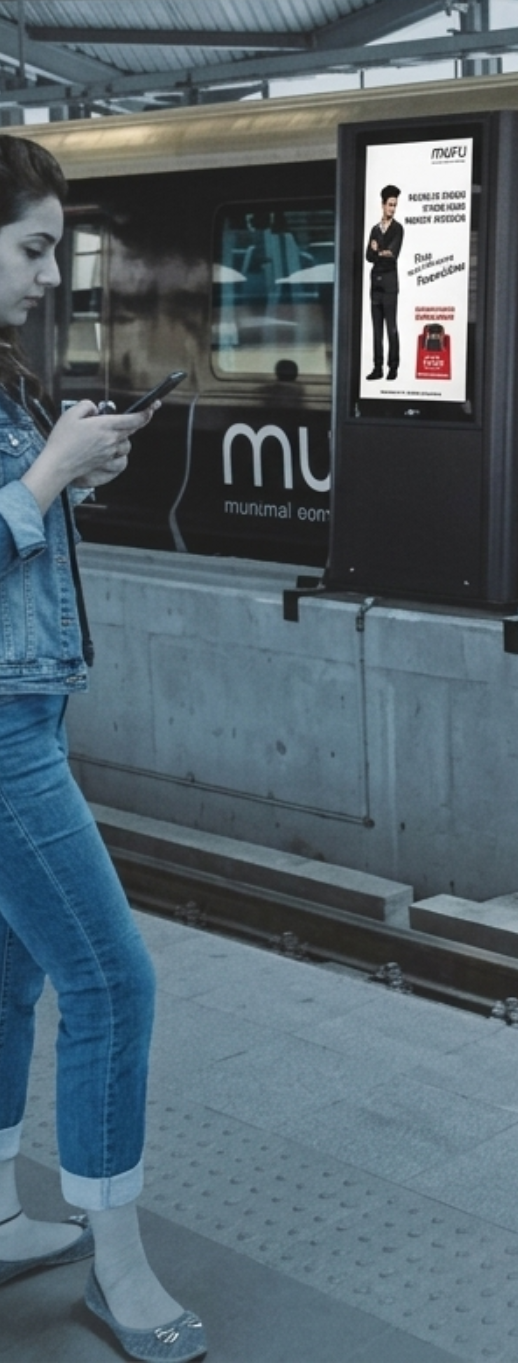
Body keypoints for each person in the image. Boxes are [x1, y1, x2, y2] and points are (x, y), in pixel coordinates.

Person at [0, 137, 206, 1361]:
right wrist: (41, 484)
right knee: (113, 980)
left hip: (23, 702)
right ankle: (118, 1268)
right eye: (31, 248)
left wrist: (61, 468)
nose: (47, 277)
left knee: (13, 971)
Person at [365, 183, 402, 381]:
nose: (392, 209)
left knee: (391, 327)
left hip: (389, 284)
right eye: (390, 205)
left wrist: (377, 250)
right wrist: (377, 251)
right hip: (375, 285)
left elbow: (392, 254)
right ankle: (377, 367)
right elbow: (368, 257)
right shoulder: (374, 229)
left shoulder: (398, 229)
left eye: (395, 205)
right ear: (383, 205)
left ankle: (393, 366)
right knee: (376, 329)